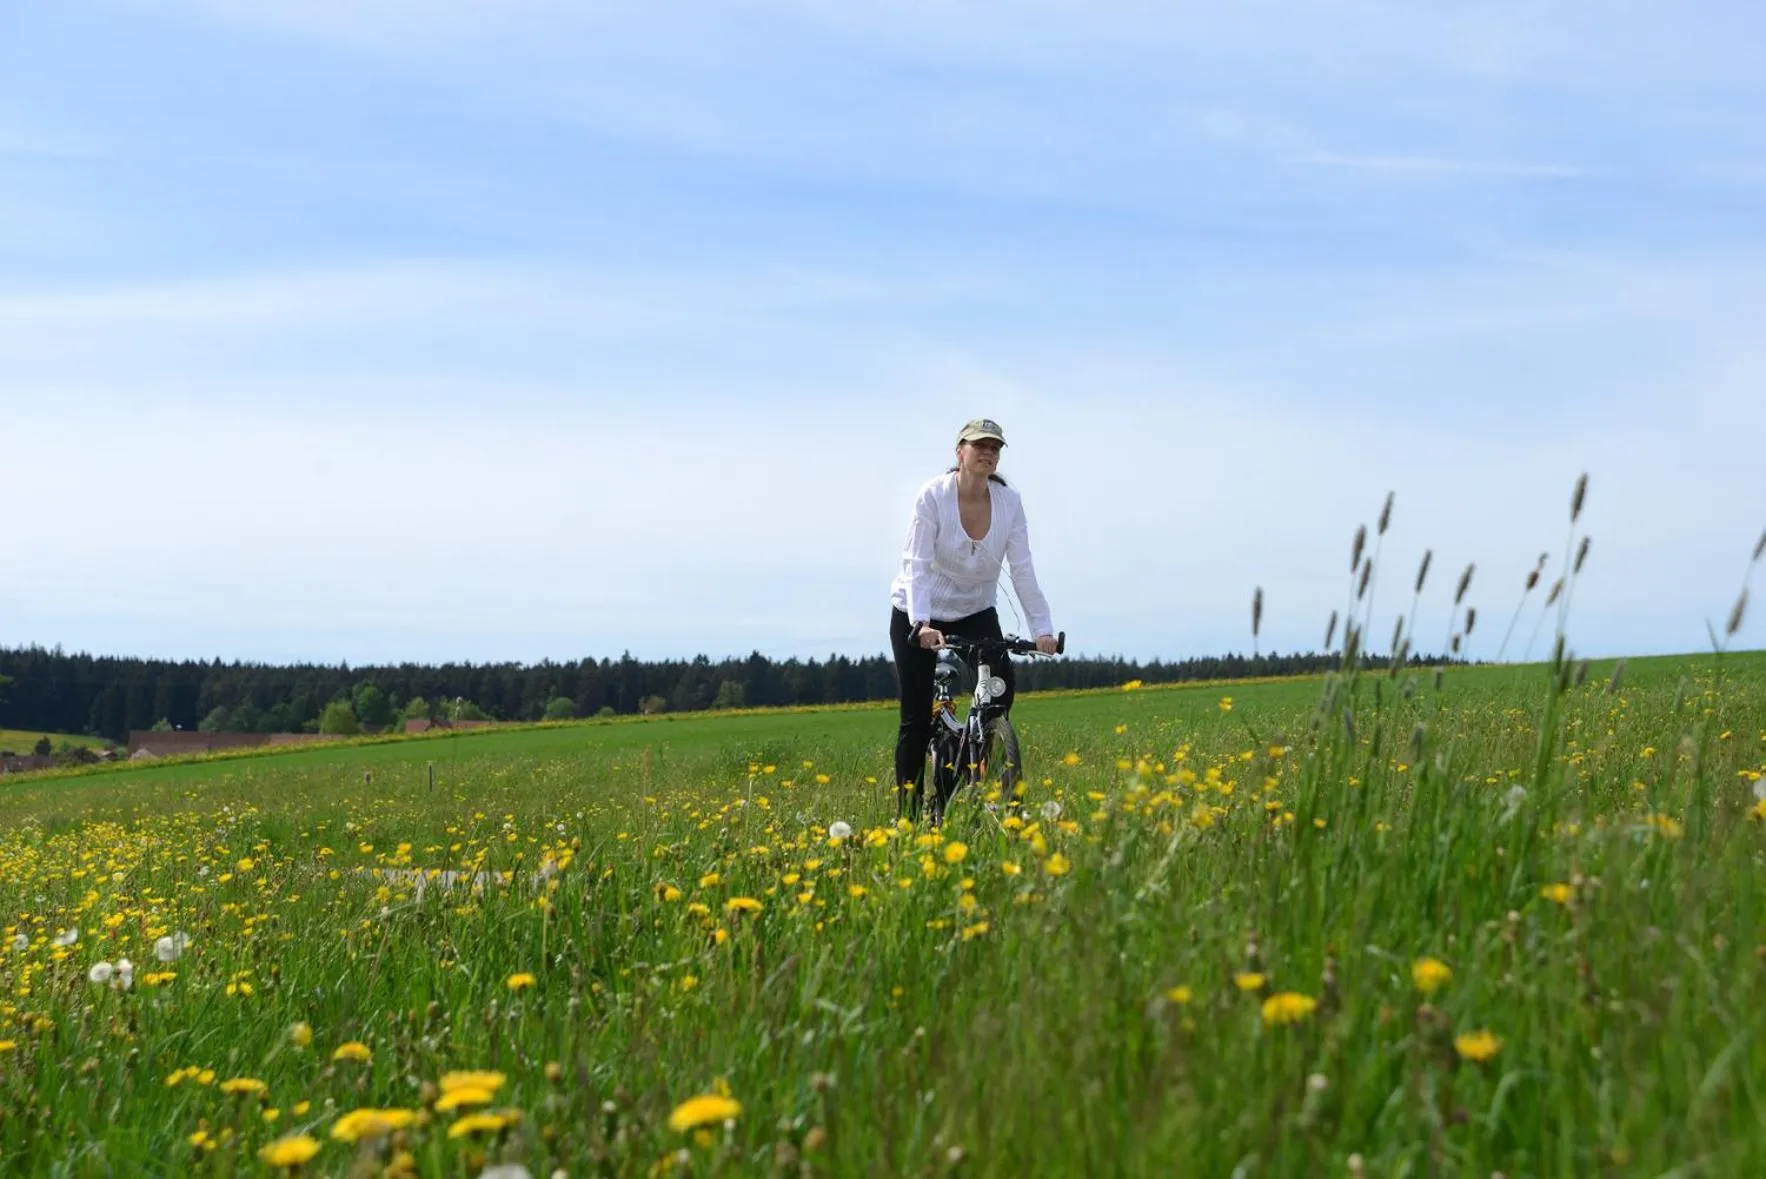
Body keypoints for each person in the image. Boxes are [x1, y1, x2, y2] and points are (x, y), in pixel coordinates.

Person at [888, 417, 1058, 809]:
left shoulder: (1009, 503)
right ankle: (908, 820)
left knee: (999, 694)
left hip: (975, 610)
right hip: (919, 610)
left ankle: (951, 791)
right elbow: (915, 563)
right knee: (915, 718)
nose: (987, 452)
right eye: (979, 445)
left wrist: (1043, 629)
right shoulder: (933, 496)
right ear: (959, 452)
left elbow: (1023, 568)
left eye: (995, 447)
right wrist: (920, 623)